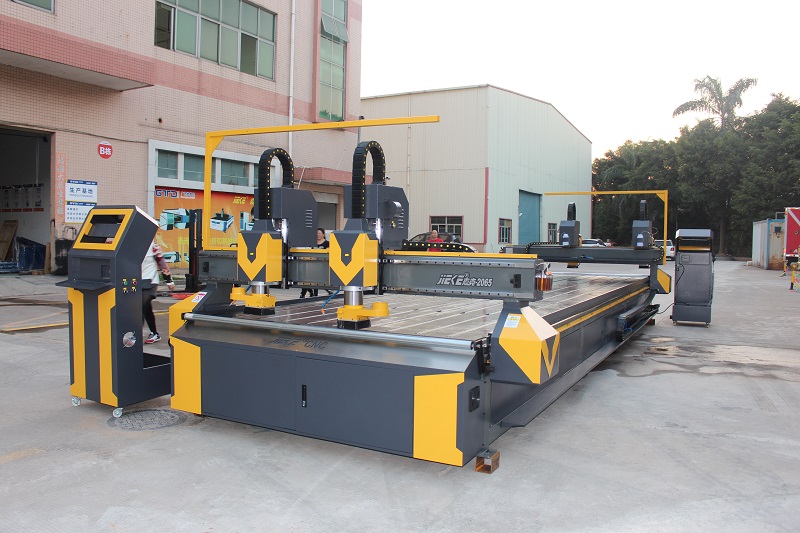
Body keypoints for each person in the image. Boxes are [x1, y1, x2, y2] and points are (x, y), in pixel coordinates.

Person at [141, 241, 174, 343]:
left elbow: (162, 263)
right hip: (135, 282)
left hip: (150, 281)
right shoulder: (129, 244)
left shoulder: (153, 246)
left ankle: (134, 335)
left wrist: (169, 281)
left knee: (139, 307)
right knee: (146, 309)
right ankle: (154, 333)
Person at [300, 228, 330, 298]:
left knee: (316, 280)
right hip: (311, 264)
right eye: (316, 233)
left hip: (322, 265)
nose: (318, 235)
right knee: (307, 279)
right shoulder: (312, 243)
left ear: (323, 234)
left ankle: (315, 294)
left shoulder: (327, 243)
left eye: (319, 233)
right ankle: (304, 294)